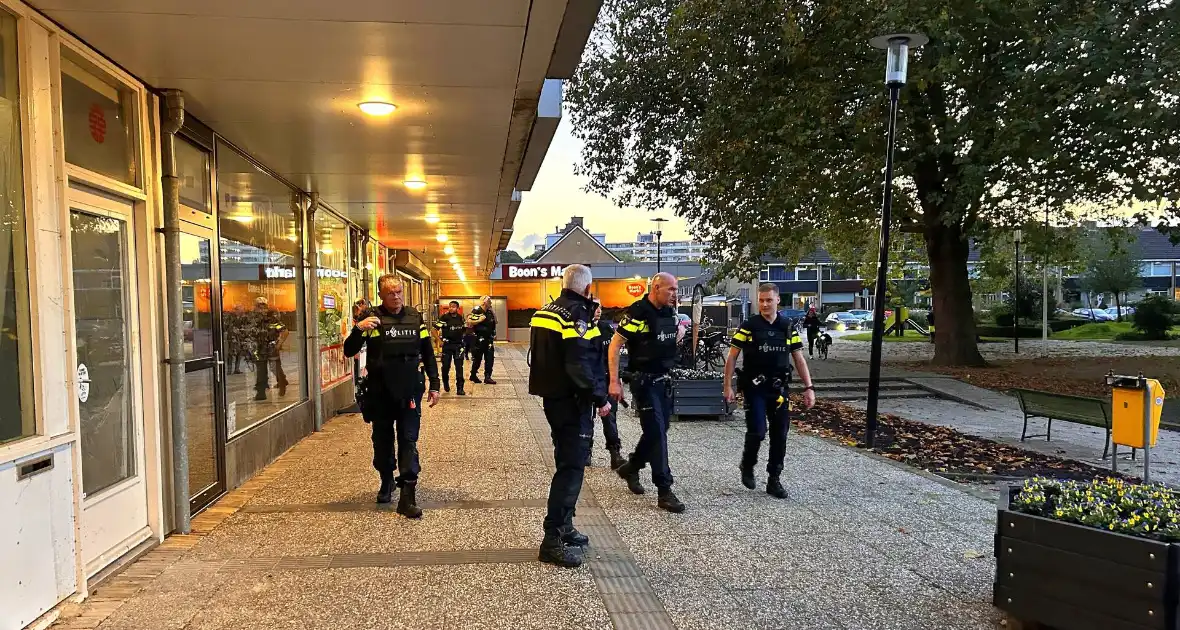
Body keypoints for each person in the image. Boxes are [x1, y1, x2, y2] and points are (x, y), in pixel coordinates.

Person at [528, 265, 611, 567]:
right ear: (588, 288)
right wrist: (599, 398)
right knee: (571, 467)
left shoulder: (545, 311)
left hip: (553, 398)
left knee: (567, 462)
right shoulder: (576, 315)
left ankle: (564, 527)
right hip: (572, 402)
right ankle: (551, 539)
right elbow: (580, 363)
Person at [344, 275, 440, 518]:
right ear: (381, 296)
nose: (396, 297)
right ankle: (386, 479)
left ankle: (408, 494)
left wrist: (435, 384)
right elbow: (349, 350)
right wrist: (358, 329)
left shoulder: (414, 317)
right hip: (381, 391)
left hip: (409, 389)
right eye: (390, 293)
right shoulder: (371, 318)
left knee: (409, 440)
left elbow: (427, 352)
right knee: (382, 440)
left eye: (399, 292)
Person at [723, 283, 816, 499]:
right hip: (755, 388)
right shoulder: (749, 326)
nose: (764, 304)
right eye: (761, 300)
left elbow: (798, 358)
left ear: (777, 301)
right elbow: (732, 356)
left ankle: (774, 479)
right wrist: (728, 386)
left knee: (779, 436)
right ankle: (747, 464)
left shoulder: (786, 326)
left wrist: (809, 387)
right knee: (757, 431)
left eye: (769, 300)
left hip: (779, 389)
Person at [607, 272, 686, 513]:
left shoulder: (668, 312)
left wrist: (680, 331)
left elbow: (664, 339)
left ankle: (631, 467)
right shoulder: (638, 312)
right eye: (671, 289)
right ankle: (664, 490)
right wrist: (614, 381)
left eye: (676, 289)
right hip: (644, 382)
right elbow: (615, 345)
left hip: (664, 382)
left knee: (659, 430)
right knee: (658, 434)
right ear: (656, 288)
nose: (675, 294)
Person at [590, 302, 626, 470]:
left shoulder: (606, 328)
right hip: (587, 380)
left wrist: (617, 379)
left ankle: (615, 453)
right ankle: (586, 451)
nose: (598, 310)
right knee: (586, 417)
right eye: (595, 306)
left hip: (606, 378)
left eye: (600, 307)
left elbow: (614, 355)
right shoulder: (580, 327)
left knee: (610, 417)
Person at [252, 296, 289, 401]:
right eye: (259, 306)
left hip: (271, 349)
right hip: (259, 349)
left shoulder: (272, 319)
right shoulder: (254, 320)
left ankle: (282, 384)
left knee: (275, 369)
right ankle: (261, 393)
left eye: (263, 306)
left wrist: (279, 343)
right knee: (261, 371)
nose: (261, 309)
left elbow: (285, 331)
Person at [433, 300, 467, 395]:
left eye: (453, 306)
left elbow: (464, 329)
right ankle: (445, 383)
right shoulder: (444, 317)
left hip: (458, 346)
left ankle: (460, 388)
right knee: (446, 366)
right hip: (447, 346)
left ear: (457, 308)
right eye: (450, 306)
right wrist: (439, 341)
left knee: (459, 367)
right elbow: (434, 329)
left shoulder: (460, 318)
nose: (451, 308)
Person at [468, 296, 498, 384]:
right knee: (478, 358)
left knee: (490, 358)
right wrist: (479, 320)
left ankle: (487, 377)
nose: (491, 303)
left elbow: (495, 321)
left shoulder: (489, 312)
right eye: (489, 301)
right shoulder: (477, 310)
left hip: (489, 339)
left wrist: (494, 333)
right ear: (485, 302)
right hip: (478, 339)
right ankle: (473, 375)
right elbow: (470, 321)